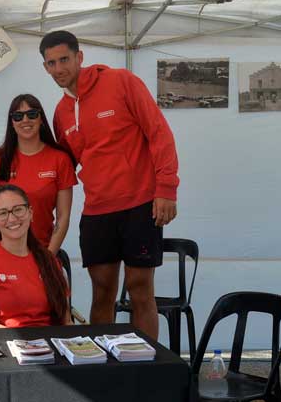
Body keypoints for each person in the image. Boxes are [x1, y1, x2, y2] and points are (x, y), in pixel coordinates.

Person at [39, 30, 179, 340]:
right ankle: (102, 372)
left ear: (80, 57)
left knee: (140, 289)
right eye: (51, 63)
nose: (59, 68)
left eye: (64, 59)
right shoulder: (61, 113)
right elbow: (62, 167)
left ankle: (145, 371)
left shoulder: (121, 81)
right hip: (97, 210)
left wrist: (166, 189)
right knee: (101, 292)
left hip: (140, 203)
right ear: (45, 68)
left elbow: (159, 133)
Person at [0, 185, 71, 328]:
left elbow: (66, 322)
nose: (12, 218)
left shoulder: (49, 260)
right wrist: (25, 342)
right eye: (2, 213)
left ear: (30, 213)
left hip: (49, 346)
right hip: (5, 346)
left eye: (18, 209)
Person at [0, 94, 76, 254]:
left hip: (41, 251)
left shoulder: (60, 159)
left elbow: (63, 216)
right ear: (12, 123)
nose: (25, 120)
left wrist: (49, 257)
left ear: (41, 119)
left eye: (32, 114)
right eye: (18, 116)